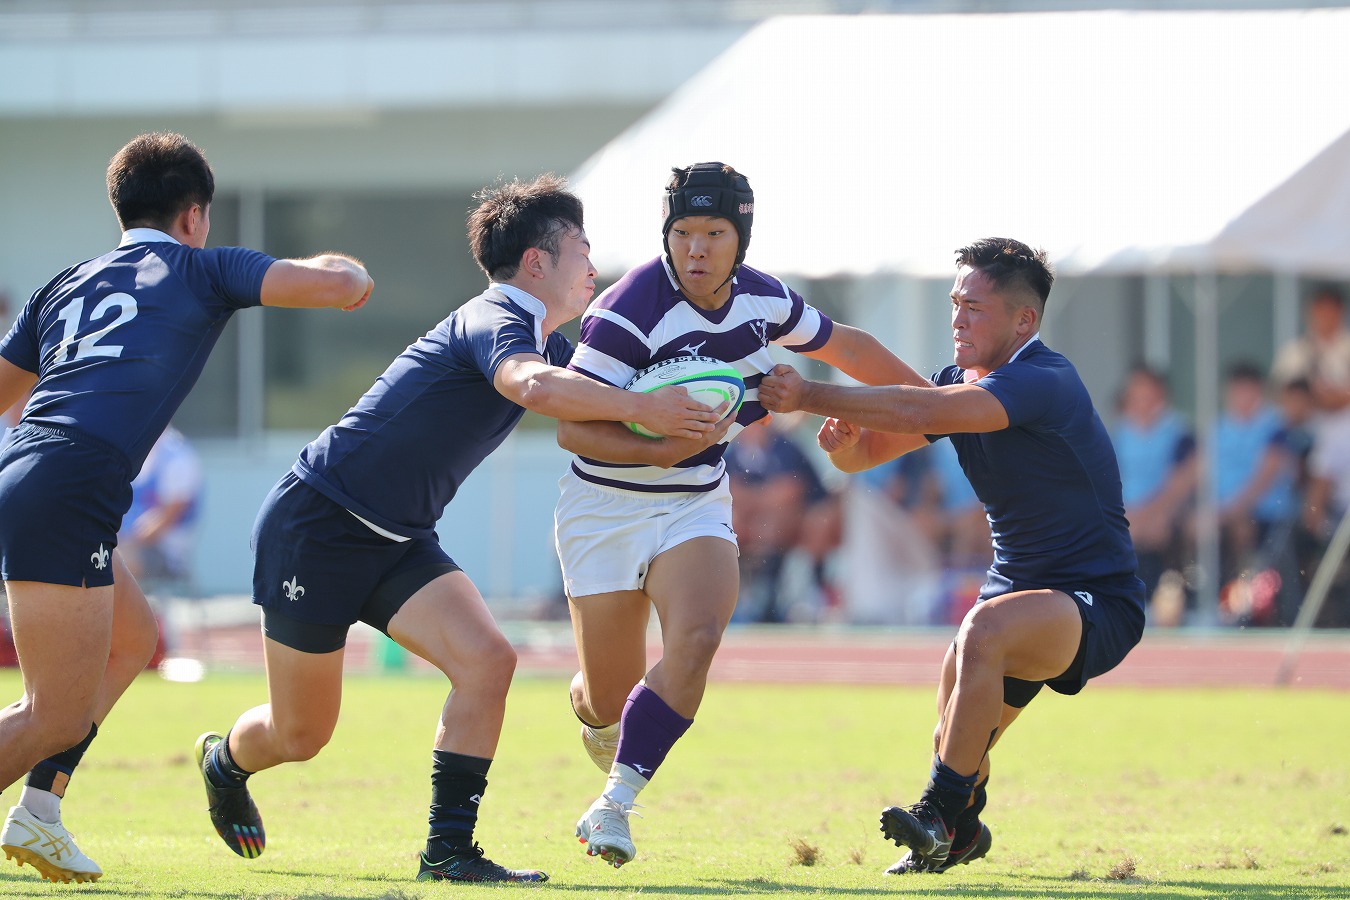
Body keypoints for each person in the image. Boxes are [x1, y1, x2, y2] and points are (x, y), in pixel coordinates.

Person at [192, 174, 721, 884]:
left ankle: (448, 851)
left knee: (488, 662)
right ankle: (223, 762)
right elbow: (532, 388)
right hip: (316, 524)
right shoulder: (494, 318)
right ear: (538, 262)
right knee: (301, 734)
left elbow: (589, 415)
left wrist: (715, 403)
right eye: (583, 250)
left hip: (398, 538)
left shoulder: (550, 344)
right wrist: (649, 412)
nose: (594, 267)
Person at [0, 132, 372, 885]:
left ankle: (38, 812)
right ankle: (37, 803)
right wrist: (351, 268)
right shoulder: (206, 268)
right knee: (56, 713)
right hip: (72, 486)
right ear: (194, 215)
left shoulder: (67, 281)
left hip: (34, 471)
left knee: (133, 640)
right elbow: (340, 287)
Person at [554, 162, 928, 868]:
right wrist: (660, 443)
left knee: (695, 637)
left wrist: (932, 402)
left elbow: (845, 345)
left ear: (741, 237)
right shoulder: (630, 306)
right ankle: (600, 712)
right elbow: (571, 429)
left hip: (694, 500)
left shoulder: (764, 301)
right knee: (608, 694)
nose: (697, 248)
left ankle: (614, 806)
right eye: (683, 232)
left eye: (715, 232)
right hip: (602, 508)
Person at [758, 237, 1146, 876]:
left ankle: (936, 814)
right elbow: (864, 457)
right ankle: (961, 830)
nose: (958, 319)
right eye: (954, 304)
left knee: (981, 631)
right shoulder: (959, 385)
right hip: (1017, 593)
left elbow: (917, 407)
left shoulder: (1043, 379)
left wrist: (808, 396)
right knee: (957, 738)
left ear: (1024, 320)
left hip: (1096, 602)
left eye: (974, 307)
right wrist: (843, 444)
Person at [1110, 365, 1196, 606]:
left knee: (1156, 532)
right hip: (1128, 513)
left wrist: (1149, 515)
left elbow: (1181, 482)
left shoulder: (1179, 432)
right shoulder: (1120, 432)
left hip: (1164, 513)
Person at [118, 424, 203, 587]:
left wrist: (121, 542)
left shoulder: (177, 457)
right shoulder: (136, 449)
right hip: (131, 544)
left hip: (165, 554)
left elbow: (166, 519)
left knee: (110, 561)